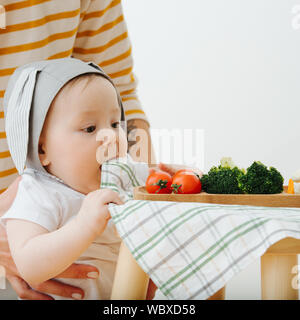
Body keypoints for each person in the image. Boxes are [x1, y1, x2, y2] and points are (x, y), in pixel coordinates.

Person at [0, 0, 157, 299]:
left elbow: (119, 87)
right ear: (41, 149)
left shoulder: (123, 176)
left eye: (115, 123)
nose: (111, 137)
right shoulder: (37, 194)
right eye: (90, 129)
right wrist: (84, 226)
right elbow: (30, 263)